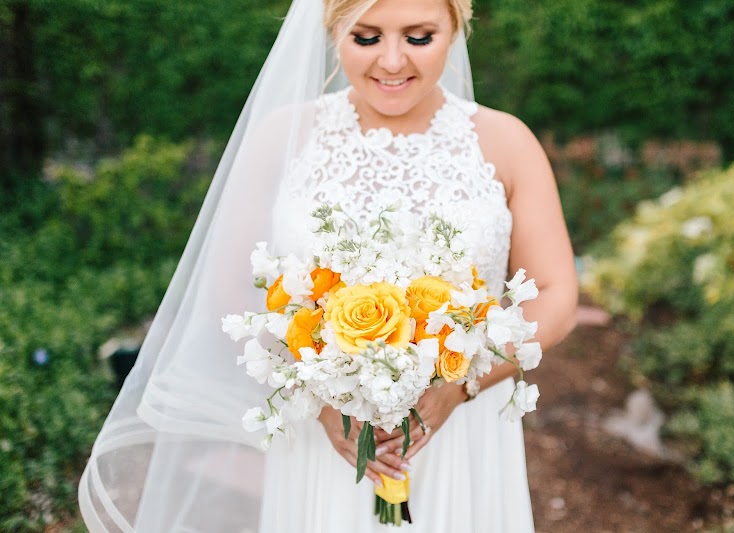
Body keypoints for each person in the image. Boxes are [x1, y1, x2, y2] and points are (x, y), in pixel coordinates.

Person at [79, 0, 577, 531]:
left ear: (456, 26)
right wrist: (323, 400)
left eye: (418, 37)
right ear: (333, 30)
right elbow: (232, 289)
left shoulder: (507, 142)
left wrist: (459, 387)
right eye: (366, 37)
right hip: (324, 441)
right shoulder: (282, 135)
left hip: (462, 440)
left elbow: (556, 294)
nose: (392, 61)